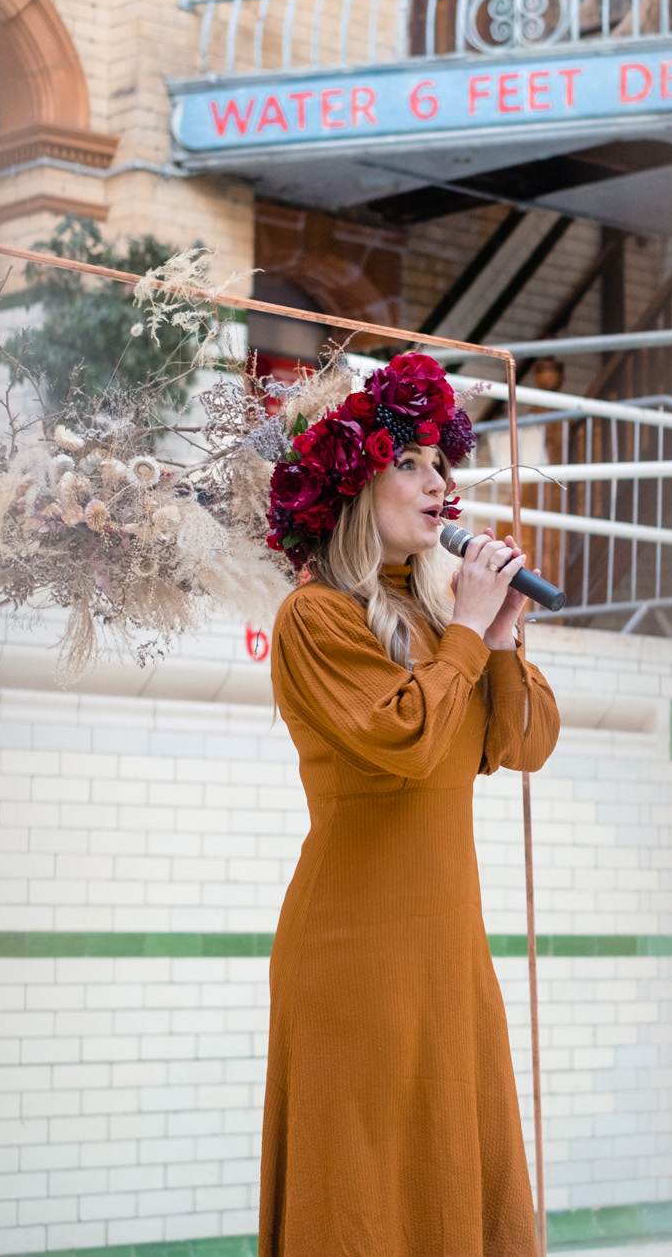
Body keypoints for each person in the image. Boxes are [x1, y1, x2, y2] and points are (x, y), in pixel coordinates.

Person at [259, 353, 559, 1256]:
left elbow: (524, 743)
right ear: (357, 486)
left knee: (457, 1178)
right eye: (413, 464)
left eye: (443, 466)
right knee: (359, 1198)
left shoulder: (439, 621)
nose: (440, 484)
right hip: (355, 959)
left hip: (447, 953)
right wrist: (467, 634)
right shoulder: (315, 620)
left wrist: (498, 638)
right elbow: (406, 740)